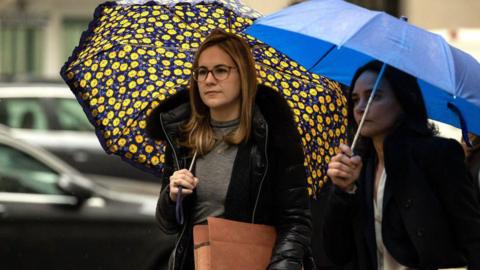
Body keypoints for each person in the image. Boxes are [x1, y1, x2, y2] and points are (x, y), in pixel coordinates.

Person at [147, 28, 312, 270]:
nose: (209, 80)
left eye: (221, 70)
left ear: (243, 75)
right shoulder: (184, 136)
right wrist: (172, 198)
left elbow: (295, 221)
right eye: (201, 72)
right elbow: (168, 225)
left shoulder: (272, 135)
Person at [323, 60, 480, 269]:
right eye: (355, 99)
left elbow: (471, 234)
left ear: (403, 101)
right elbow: (337, 252)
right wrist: (343, 191)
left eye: (374, 97)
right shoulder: (359, 165)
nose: (360, 108)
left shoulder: (437, 154)